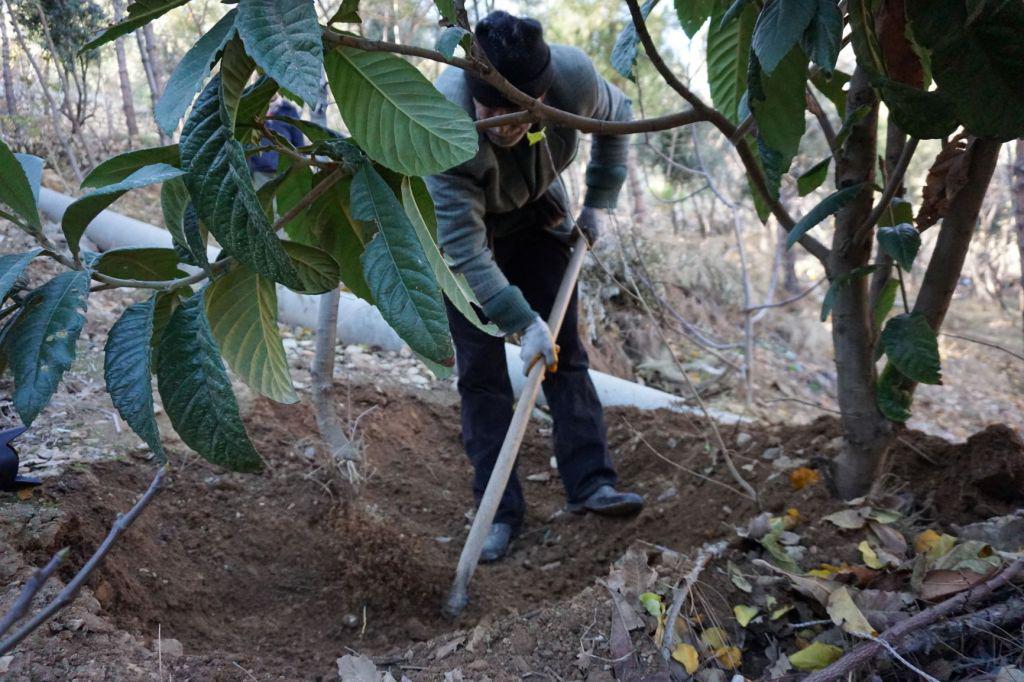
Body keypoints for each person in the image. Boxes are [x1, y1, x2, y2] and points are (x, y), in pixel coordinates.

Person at [426, 11, 645, 563]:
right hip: (467, 244)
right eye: (490, 111)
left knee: (564, 354)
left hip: (538, 211)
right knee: (481, 376)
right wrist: (522, 323)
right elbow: (462, 245)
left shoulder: (572, 80)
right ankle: (498, 511)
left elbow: (618, 119)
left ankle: (590, 483)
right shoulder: (442, 124)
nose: (502, 126)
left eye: (518, 113)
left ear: (543, 94)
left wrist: (599, 202)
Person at [247, 95, 305, 185]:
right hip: (259, 172)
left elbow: (299, 145)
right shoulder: (252, 110)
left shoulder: (289, 110)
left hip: (284, 173)